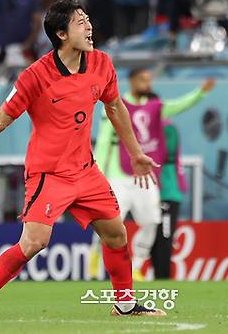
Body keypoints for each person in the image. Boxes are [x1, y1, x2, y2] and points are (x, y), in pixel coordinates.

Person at [0, 0, 167, 318]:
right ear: (61, 34)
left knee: (116, 233)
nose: (89, 26)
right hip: (48, 174)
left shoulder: (102, 63)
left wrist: (136, 152)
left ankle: (124, 304)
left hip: (86, 171)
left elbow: (115, 108)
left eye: (88, 19)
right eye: (80, 22)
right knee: (34, 242)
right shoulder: (35, 76)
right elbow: (0, 119)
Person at [90, 68, 215, 280]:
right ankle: (95, 254)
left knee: (152, 221)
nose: (147, 84)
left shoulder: (155, 108)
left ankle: (136, 263)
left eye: (149, 80)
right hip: (118, 177)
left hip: (145, 176)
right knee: (109, 222)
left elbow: (178, 106)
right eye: (143, 80)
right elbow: (103, 142)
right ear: (131, 81)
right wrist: (97, 173)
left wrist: (200, 93)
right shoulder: (114, 105)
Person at [150, 117, 188, 280]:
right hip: (152, 193)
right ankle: (158, 278)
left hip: (167, 192)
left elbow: (167, 153)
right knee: (153, 237)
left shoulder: (167, 128)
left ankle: (163, 279)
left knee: (164, 238)